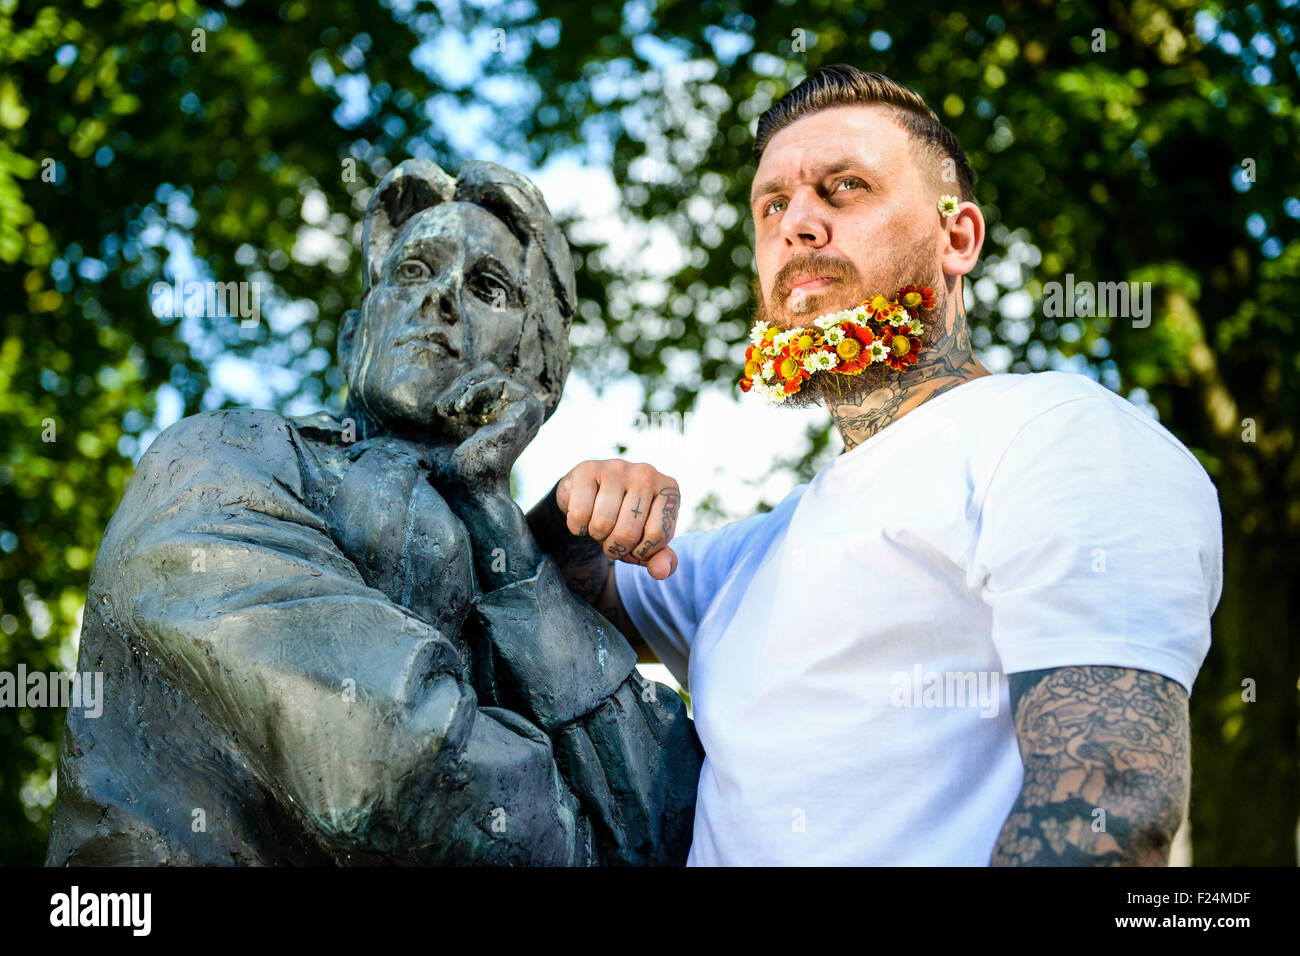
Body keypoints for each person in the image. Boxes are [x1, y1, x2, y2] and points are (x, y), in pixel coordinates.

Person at [526, 66, 1223, 866]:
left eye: (844, 187)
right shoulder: (744, 559)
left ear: (957, 237)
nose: (798, 224)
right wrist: (571, 506)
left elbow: (1108, 807)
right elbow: (539, 602)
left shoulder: (1058, 437)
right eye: (772, 205)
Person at [46, 158, 702, 866]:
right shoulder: (227, 456)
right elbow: (384, 769)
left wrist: (508, 542)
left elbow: (673, 824)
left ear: (538, 378)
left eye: (487, 287)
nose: (441, 300)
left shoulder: (525, 585)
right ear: (354, 331)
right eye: (414, 271)